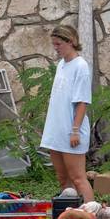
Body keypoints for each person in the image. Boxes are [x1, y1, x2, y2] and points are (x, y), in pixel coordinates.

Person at [39, 25, 94, 202]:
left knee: (78, 179)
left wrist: (75, 130)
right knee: (64, 180)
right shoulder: (62, 64)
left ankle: (92, 216)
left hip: (72, 131)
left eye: (58, 44)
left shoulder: (81, 66)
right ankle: (72, 218)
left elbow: (82, 102)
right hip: (57, 132)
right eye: (54, 44)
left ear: (71, 42)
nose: (56, 48)